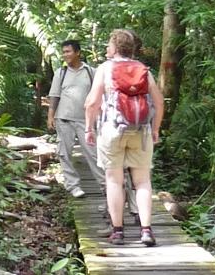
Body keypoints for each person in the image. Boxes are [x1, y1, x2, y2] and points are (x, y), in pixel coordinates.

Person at [85, 29, 165, 247]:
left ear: (115, 47)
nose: (106, 49)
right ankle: (146, 231)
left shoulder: (105, 69)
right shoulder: (143, 70)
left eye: (108, 45)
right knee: (142, 182)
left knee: (114, 181)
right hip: (141, 131)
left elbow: (92, 102)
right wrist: (155, 129)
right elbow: (159, 103)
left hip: (111, 130)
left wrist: (88, 128)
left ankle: (118, 232)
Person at [47, 39, 97, 198]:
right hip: (64, 119)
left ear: (78, 53)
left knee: (93, 153)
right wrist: (51, 116)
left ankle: (106, 185)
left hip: (86, 120)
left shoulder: (91, 72)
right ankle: (73, 186)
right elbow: (54, 96)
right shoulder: (60, 73)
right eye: (64, 52)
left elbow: (98, 95)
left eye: (68, 51)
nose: (65, 55)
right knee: (64, 153)